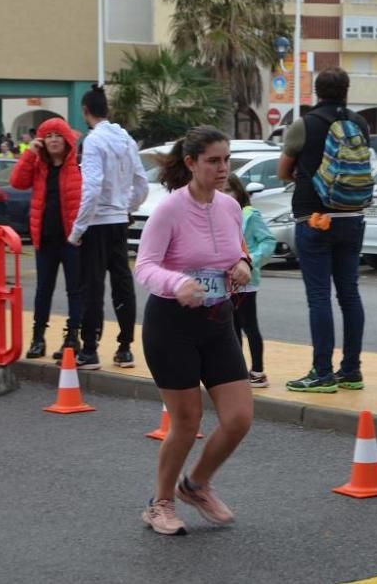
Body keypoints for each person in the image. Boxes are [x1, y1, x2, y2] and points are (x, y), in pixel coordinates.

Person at [133, 126, 253, 536]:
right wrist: (177, 284)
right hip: (171, 324)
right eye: (213, 161)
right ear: (190, 163)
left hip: (217, 320)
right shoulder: (169, 209)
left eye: (226, 160)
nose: (223, 169)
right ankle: (160, 503)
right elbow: (145, 266)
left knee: (239, 418)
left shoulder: (230, 206)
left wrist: (242, 265)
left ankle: (196, 485)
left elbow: (238, 250)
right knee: (185, 422)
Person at [277, 67, 371, 393]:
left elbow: (283, 171)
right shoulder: (360, 124)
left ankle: (321, 372)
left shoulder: (305, 124)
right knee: (349, 294)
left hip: (314, 219)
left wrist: (310, 182)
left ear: (316, 90)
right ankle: (352, 370)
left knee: (319, 297)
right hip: (352, 217)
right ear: (347, 90)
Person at [69, 84, 149, 370]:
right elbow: (141, 182)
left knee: (92, 286)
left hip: (97, 221)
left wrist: (78, 230)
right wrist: (128, 207)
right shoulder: (126, 139)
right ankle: (125, 347)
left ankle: (90, 349)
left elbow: (91, 187)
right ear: (108, 110)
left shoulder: (93, 141)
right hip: (119, 219)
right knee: (122, 284)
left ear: (85, 111)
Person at [9, 118, 83, 360]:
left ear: (67, 140)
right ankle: (37, 337)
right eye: (48, 135)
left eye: (58, 135)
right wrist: (30, 154)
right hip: (45, 239)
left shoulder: (78, 167)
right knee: (43, 290)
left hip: (72, 240)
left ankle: (72, 337)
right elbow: (17, 182)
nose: (53, 140)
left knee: (75, 290)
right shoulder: (39, 167)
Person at [223, 174, 276, 388]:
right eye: (220, 190)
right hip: (226, 282)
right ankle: (237, 369)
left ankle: (258, 371)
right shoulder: (218, 215)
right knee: (232, 326)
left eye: (228, 190)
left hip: (247, 281)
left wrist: (250, 259)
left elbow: (268, 241)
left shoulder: (249, 215)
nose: (223, 194)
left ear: (239, 191)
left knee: (249, 326)